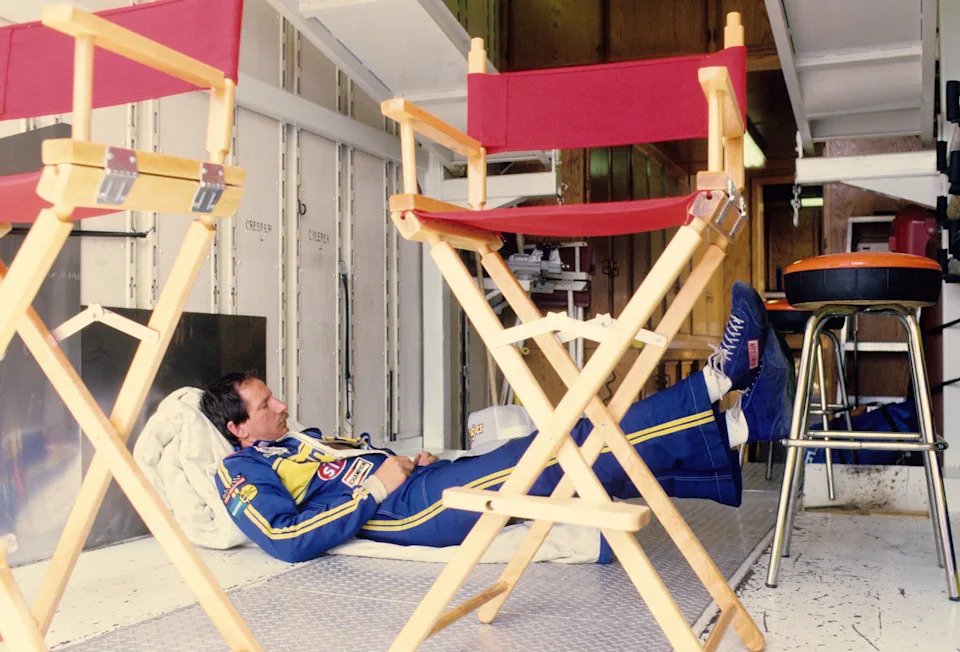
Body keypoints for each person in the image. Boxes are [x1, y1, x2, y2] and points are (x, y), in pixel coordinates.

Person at [203, 283, 793, 563]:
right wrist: (373, 490)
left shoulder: (298, 439)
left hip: (422, 482)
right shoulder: (241, 472)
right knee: (558, 451)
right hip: (409, 511)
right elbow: (284, 537)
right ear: (239, 430)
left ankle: (743, 423)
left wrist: (407, 459)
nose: (280, 406)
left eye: (274, 397)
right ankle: (720, 380)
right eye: (265, 406)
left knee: (563, 457)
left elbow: (351, 462)